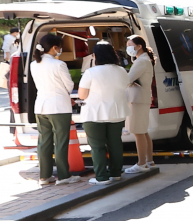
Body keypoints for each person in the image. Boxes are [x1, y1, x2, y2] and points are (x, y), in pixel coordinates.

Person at [78, 42, 130, 185]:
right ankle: (116, 173)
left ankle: (101, 177)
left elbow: (82, 95)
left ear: (95, 56)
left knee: (97, 146)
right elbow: (126, 87)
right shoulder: (122, 71)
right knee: (115, 144)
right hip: (117, 112)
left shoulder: (91, 72)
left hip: (95, 114)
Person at [30, 33, 77, 186]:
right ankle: (63, 176)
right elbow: (69, 85)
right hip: (59, 106)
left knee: (44, 141)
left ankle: (44, 176)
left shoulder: (33, 64)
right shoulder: (59, 64)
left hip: (40, 106)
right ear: (55, 47)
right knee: (61, 141)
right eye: (60, 47)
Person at [122, 35, 156, 174]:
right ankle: (149, 160)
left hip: (137, 100)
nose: (128, 48)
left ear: (139, 46)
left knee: (138, 132)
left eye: (130, 44)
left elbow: (128, 79)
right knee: (143, 131)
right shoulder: (143, 60)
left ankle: (141, 163)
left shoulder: (141, 61)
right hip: (141, 99)